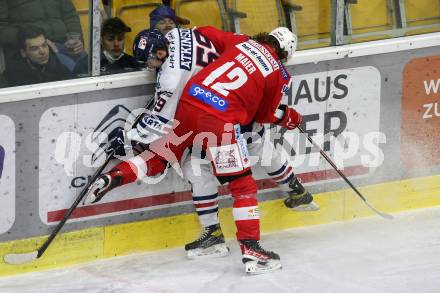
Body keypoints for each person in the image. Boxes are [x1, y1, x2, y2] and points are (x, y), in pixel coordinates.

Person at [85, 26, 304, 274]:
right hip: (220, 120)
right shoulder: (279, 72)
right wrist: (290, 117)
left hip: (190, 103)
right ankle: (252, 250)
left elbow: (208, 32)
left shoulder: (241, 41)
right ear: (286, 53)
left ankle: (116, 175)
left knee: (160, 155)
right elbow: (264, 115)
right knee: (242, 186)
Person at [0, 0, 86, 74]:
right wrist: (36, 39)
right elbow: (2, 28)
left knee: (88, 67)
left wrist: (75, 40)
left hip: (64, 45)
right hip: (30, 48)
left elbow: (70, 14)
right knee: (71, 72)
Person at [4, 26, 73, 86]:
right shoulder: (13, 75)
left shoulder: (59, 66)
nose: (42, 52)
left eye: (44, 45)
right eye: (34, 48)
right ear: (23, 53)